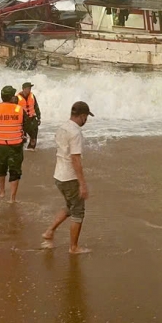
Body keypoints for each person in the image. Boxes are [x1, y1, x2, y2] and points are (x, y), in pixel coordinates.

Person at [42, 101, 94, 254]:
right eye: (86, 117)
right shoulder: (75, 132)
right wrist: (82, 184)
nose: (86, 120)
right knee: (78, 212)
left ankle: (49, 232)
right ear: (83, 116)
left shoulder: (62, 127)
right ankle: (74, 247)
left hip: (59, 175)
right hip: (70, 178)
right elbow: (75, 159)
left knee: (70, 207)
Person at [17, 82, 41, 151]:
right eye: (28, 88)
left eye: (30, 88)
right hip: (22, 120)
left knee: (34, 136)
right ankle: (22, 150)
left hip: (32, 118)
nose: (29, 90)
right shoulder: (17, 98)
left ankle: (30, 149)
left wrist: (39, 117)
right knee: (22, 138)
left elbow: (36, 107)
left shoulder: (32, 96)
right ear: (23, 89)